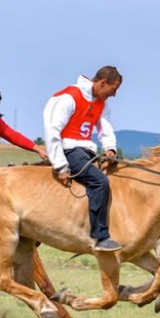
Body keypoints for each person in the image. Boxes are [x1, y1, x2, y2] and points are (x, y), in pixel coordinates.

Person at [43, 65, 123, 252]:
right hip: (68, 149)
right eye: (114, 89)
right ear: (103, 83)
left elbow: (106, 127)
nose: (114, 95)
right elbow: (52, 131)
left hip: (86, 150)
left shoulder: (101, 103)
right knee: (99, 182)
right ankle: (99, 237)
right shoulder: (69, 97)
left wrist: (110, 149)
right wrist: (61, 166)